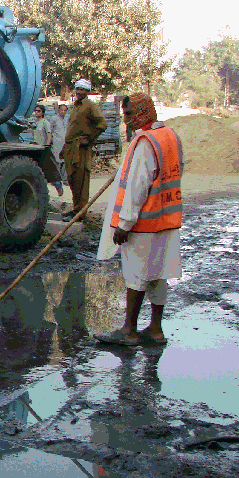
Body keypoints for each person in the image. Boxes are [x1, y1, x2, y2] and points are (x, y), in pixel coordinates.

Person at [94, 93, 181, 346]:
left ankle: (129, 330)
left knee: (137, 275)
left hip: (144, 222)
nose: (126, 118)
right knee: (158, 273)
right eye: (125, 113)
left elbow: (137, 187)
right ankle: (155, 329)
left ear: (144, 111)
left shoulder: (145, 142)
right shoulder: (170, 136)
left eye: (130, 113)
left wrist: (124, 224)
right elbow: (176, 169)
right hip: (167, 219)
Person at [61, 79, 106, 223]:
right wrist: (64, 148)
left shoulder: (90, 105)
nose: (79, 92)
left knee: (81, 180)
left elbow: (102, 124)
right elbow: (72, 129)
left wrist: (90, 139)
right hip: (70, 148)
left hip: (81, 149)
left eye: (83, 89)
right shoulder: (75, 107)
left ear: (88, 91)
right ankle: (76, 209)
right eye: (77, 89)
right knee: (72, 179)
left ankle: (81, 213)